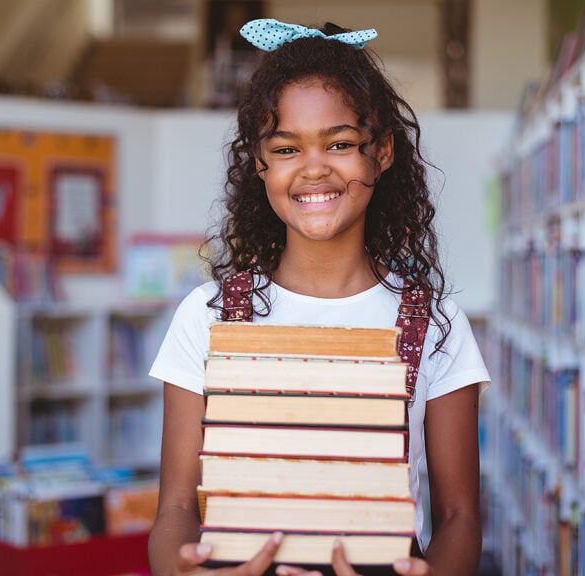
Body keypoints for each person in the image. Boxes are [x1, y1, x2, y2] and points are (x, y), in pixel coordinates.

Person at [148, 18, 491, 576]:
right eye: (286, 148)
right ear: (260, 163)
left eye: (339, 143)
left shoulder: (433, 322)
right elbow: (178, 509)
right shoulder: (208, 315)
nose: (313, 168)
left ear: (380, 153)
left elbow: (459, 518)